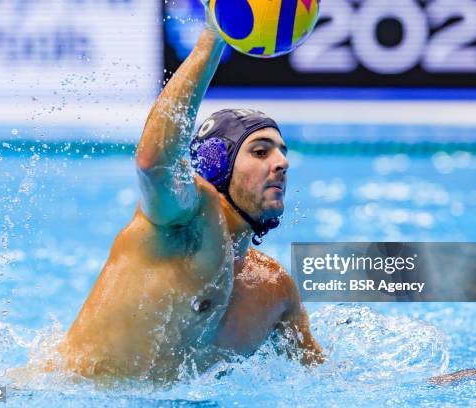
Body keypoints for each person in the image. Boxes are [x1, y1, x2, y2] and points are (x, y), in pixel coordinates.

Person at [55, 11, 323, 383]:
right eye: (261, 152)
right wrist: (214, 35)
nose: (281, 163)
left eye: (281, 151)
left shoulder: (274, 289)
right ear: (217, 166)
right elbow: (153, 162)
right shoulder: (185, 220)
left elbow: (326, 382)